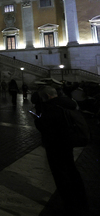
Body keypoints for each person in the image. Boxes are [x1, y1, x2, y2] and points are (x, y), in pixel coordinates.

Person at [34, 86, 89, 215]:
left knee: (61, 176)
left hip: (55, 145)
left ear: (47, 96)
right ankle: (82, 199)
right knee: (72, 171)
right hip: (68, 142)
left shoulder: (51, 107)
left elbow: (45, 126)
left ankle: (70, 205)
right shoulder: (68, 103)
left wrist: (37, 121)